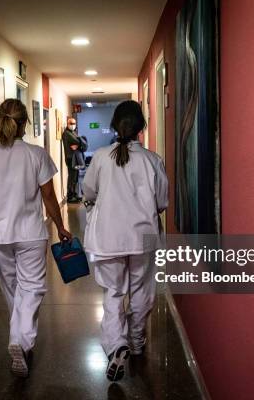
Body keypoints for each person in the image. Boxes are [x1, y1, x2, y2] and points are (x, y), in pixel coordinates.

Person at [0, 99, 72, 378]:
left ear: (0, 121)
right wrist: (60, 226)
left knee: (11, 287)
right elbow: (48, 195)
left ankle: (20, 339)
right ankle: (20, 340)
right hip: (30, 234)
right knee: (32, 288)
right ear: (25, 123)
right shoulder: (36, 154)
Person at [82, 100, 168, 382]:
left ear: (114, 125)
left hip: (108, 236)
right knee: (142, 288)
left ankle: (116, 343)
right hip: (143, 236)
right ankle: (136, 340)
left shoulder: (101, 157)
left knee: (113, 292)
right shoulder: (152, 160)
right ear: (142, 126)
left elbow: (89, 191)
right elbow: (162, 202)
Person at [62, 118, 86, 203]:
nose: (73, 125)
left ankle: (74, 194)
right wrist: (80, 141)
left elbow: (83, 144)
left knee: (75, 177)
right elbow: (79, 141)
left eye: (74, 123)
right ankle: (70, 195)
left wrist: (80, 143)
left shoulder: (73, 133)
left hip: (74, 158)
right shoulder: (67, 134)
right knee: (72, 177)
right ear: (67, 124)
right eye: (71, 123)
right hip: (70, 158)